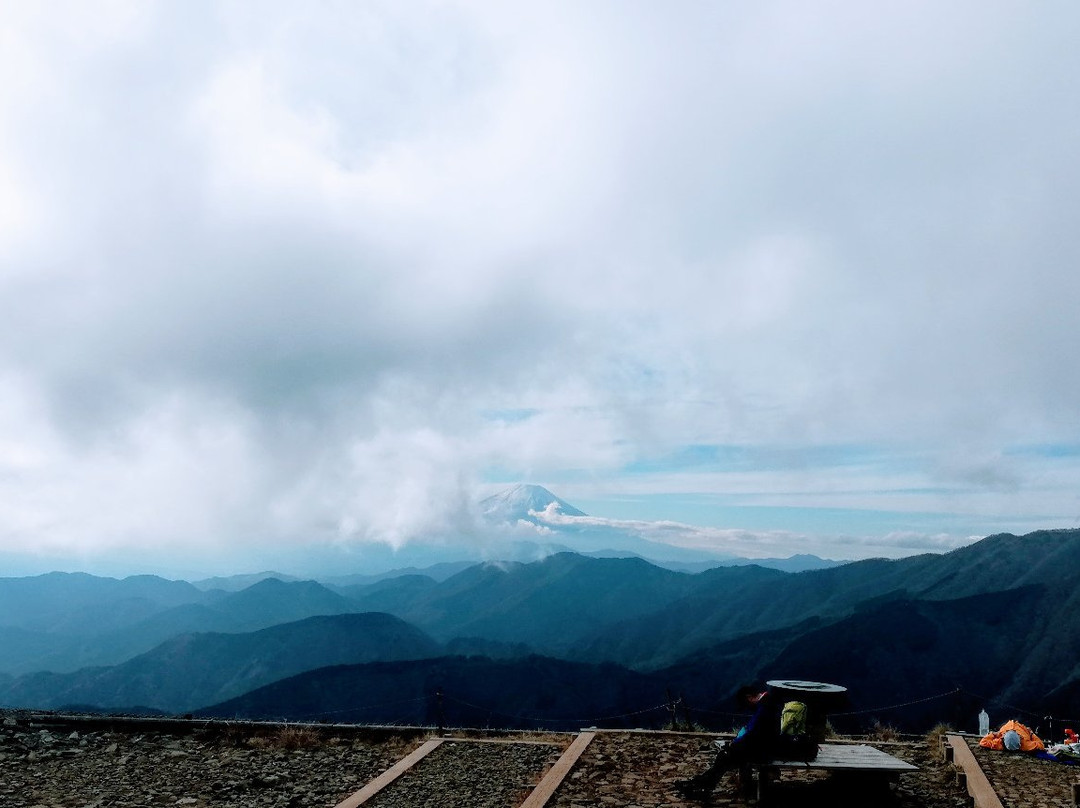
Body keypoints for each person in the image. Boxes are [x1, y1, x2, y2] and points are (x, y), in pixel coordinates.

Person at [675, 684, 815, 800]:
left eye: (746, 704)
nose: (748, 707)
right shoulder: (768, 703)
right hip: (766, 747)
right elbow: (756, 733)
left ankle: (701, 786)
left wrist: (736, 744)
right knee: (725, 756)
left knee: (725, 756)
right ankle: (701, 785)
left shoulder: (766, 708)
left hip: (765, 750)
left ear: (749, 697)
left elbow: (756, 735)